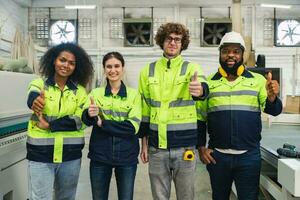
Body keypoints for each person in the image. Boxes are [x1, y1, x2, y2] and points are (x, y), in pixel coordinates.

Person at [197, 31, 282, 200]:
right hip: (217, 157)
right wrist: (200, 147)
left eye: (236, 51)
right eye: (226, 51)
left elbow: (274, 110)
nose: (230, 55)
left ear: (243, 55)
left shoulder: (257, 81)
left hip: (248, 157)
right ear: (220, 54)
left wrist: (273, 98)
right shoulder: (208, 84)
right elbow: (200, 118)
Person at [138, 22, 209, 200]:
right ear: (162, 41)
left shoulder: (192, 68)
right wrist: (144, 145)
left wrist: (200, 90)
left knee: (186, 196)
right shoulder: (148, 71)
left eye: (178, 39)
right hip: (156, 148)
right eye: (169, 38)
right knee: (159, 197)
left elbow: (203, 87)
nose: (173, 42)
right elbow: (145, 111)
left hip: (184, 147)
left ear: (182, 44)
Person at [26, 43, 94, 200]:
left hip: (70, 156)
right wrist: (35, 101)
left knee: (66, 198)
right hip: (40, 154)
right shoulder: (39, 83)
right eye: (62, 60)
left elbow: (81, 120)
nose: (66, 65)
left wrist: (51, 125)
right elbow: (32, 95)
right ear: (53, 61)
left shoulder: (80, 92)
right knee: (40, 198)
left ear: (76, 67)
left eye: (71, 63)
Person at [81, 52, 142, 200]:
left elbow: (132, 127)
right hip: (100, 155)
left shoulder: (134, 95)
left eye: (116, 66)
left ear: (123, 68)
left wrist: (103, 123)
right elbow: (85, 120)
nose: (112, 70)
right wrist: (89, 114)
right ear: (104, 69)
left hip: (127, 156)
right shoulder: (95, 93)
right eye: (109, 66)